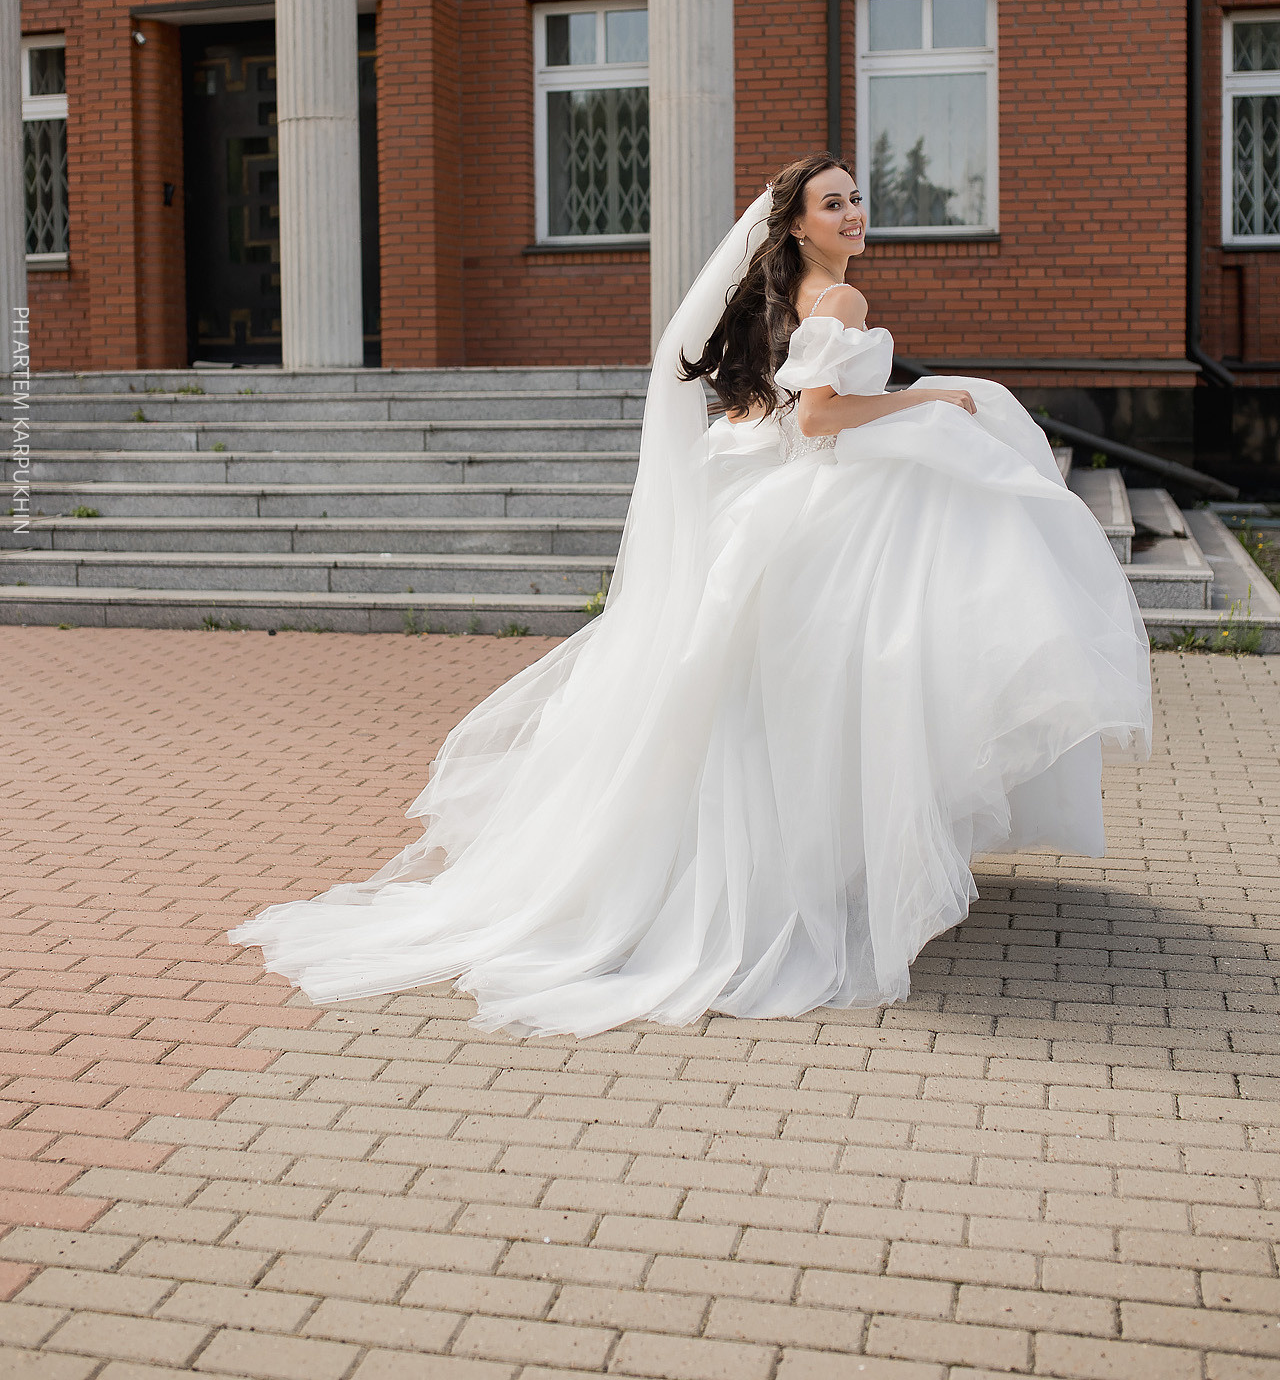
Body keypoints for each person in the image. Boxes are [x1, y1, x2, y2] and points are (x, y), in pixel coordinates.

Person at [230, 153, 1151, 1035]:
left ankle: (735, 871)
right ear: (794, 222)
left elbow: (767, 409)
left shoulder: (777, 298)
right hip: (812, 500)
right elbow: (823, 416)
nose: (854, 213)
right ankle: (792, 878)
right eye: (833, 203)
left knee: (750, 693)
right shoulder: (838, 295)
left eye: (857, 198)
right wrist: (926, 404)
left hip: (768, 500)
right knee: (861, 644)